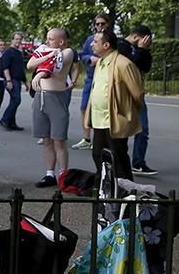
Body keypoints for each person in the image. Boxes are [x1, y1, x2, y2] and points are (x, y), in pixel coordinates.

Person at [86, 29, 144, 182]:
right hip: (99, 119)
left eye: (95, 42)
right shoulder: (100, 63)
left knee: (118, 156)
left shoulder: (123, 64)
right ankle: (104, 187)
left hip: (115, 119)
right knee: (98, 154)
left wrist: (126, 112)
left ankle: (125, 191)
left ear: (106, 45)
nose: (92, 44)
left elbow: (138, 93)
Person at [28, 28, 77, 187]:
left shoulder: (68, 52)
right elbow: (30, 64)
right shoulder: (46, 51)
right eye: (47, 38)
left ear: (61, 41)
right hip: (40, 97)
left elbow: (55, 66)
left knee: (59, 140)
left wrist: (40, 73)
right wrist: (48, 54)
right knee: (46, 139)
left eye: (51, 39)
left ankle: (64, 175)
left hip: (56, 97)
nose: (47, 41)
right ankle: (50, 174)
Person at [117, 24, 156, 176]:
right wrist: (140, 49)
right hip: (124, 94)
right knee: (123, 130)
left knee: (143, 130)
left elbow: (145, 67)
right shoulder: (121, 46)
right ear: (135, 37)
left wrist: (144, 50)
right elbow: (131, 66)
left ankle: (139, 162)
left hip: (137, 94)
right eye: (144, 41)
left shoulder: (141, 49)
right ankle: (121, 164)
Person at [73, 13, 112, 150]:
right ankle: (86, 138)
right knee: (84, 108)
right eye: (97, 24)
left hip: (105, 80)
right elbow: (82, 55)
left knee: (101, 110)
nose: (100, 26)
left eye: (102, 23)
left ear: (107, 24)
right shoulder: (90, 39)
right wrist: (90, 59)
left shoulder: (112, 39)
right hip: (91, 79)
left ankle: (100, 139)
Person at [0, 32, 26, 131]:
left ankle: (12, 123)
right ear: (12, 40)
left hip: (17, 80)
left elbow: (20, 69)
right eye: (16, 39)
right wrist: (9, 81)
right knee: (16, 100)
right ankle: (4, 120)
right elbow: (5, 67)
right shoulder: (9, 52)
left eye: (20, 39)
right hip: (11, 80)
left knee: (14, 101)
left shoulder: (18, 52)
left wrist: (26, 82)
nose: (18, 41)